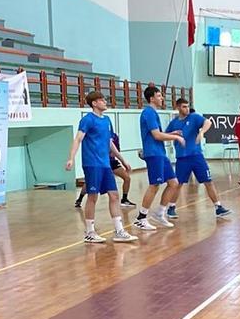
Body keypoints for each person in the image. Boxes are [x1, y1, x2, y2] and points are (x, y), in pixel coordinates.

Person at [64, 91, 139, 243]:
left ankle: (119, 231)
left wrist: (123, 160)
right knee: (93, 197)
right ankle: (90, 232)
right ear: (94, 103)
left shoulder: (106, 120)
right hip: (92, 164)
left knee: (114, 195)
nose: (105, 101)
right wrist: (71, 158)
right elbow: (78, 139)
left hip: (105, 164)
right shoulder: (87, 120)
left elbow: (109, 143)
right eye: (101, 100)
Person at [165, 98, 231, 218]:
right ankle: (171, 207)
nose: (187, 109)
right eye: (184, 106)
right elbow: (164, 135)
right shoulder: (173, 123)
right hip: (182, 158)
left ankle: (218, 207)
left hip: (197, 157)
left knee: (208, 181)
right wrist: (173, 134)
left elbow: (208, 122)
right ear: (178, 107)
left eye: (188, 106)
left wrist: (201, 133)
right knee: (178, 184)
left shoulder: (194, 117)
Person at [134, 86, 184, 231]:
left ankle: (159, 212)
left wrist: (172, 132)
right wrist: (175, 137)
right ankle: (141, 218)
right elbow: (156, 135)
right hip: (153, 153)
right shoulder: (148, 113)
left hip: (160, 153)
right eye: (159, 95)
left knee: (173, 183)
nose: (162, 98)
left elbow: (158, 134)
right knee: (154, 185)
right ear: (152, 98)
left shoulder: (153, 113)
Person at [75, 127, 135, 209]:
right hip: (101, 163)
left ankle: (124, 199)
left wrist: (121, 160)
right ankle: (79, 199)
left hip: (112, 162)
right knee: (89, 182)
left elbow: (115, 152)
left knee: (127, 178)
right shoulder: (96, 137)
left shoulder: (114, 137)